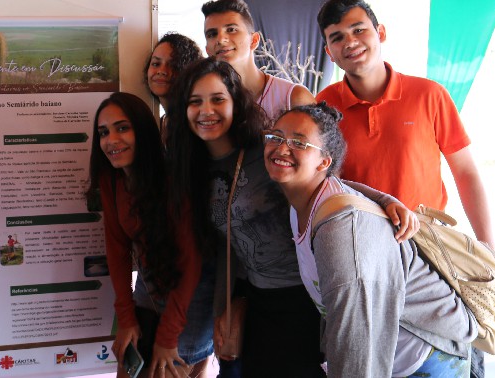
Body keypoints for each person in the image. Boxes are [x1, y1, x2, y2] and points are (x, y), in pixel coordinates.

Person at [167, 58, 411, 377]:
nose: (206, 110)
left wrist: (384, 200)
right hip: (257, 297)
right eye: (195, 101)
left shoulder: (266, 150)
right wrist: (224, 307)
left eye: (217, 99)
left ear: (236, 102)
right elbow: (228, 243)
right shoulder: (193, 166)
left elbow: (322, 182)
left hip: (303, 295)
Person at [264, 103, 477, 378]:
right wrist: (386, 199)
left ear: (324, 162)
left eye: (299, 143)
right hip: (391, 357)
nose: (282, 148)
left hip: (426, 358)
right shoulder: (306, 196)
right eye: (276, 137)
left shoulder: (339, 233)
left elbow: (355, 339)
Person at [315, 0, 495, 246]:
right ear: (329, 52)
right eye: (337, 37)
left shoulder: (429, 95)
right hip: (358, 240)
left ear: (380, 33)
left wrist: (488, 247)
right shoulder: (323, 106)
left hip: (429, 239)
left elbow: (465, 172)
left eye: (359, 30)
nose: (350, 42)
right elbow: (319, 182)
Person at [90, 92, 213, 378]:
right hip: (149, 285)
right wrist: (126, 318)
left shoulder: (173, 179)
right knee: (128, 369)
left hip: (191, 292)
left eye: (123, 128)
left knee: (165, 369)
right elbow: (117, 250)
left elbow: (190, 261)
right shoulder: (111, 178)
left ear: (143, 131)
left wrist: (168, 336)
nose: (111, 140)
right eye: (104, 132)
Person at [201, 0, 314, 122]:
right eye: (212, 34)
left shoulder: (293, 98)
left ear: (254, 40)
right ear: (207, 50)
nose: (221, 40)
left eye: (231, 30)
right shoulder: (205, 105)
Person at [144, 32, 202, 122]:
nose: (161, 71)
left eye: (173, 65)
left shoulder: (196, 122)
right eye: (156, 64)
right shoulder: (162, 121)